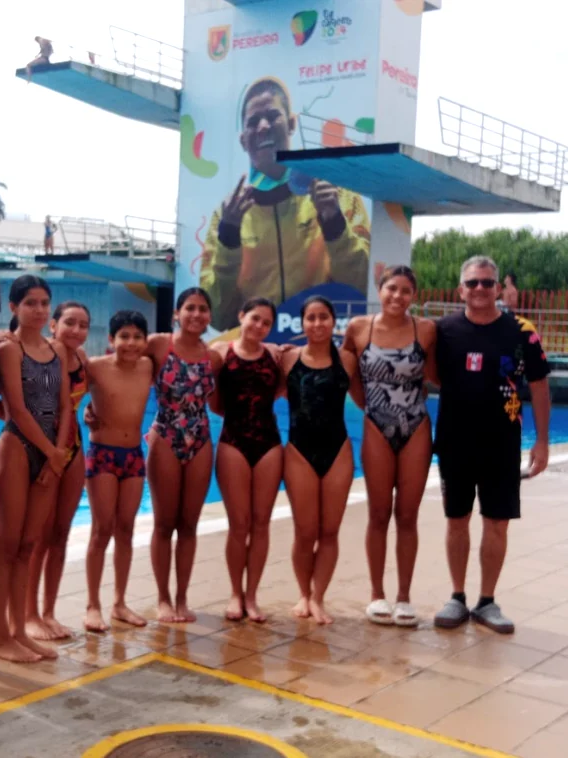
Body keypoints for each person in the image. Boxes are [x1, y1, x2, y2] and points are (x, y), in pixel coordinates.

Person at [433, 255, 551, 635]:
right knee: (457, 520)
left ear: (498, 288)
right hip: (455, 442)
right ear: (460, 290)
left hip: (502, 443)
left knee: (497, 523)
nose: (480, 289)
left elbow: (540, 386)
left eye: (487, 282)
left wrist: (542, 441)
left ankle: (487, 601)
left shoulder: (521, 331)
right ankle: (457, 596)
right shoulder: (444, 330)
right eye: (473, 283)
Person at [200, 76, 371, 331]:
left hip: (322, 345)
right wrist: (229, 238)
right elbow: (217, 316)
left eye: (272, 116)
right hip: (258, 351)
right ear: (243, 140)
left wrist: (334, 225)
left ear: (292, 124)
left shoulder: (337, 195)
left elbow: (363, 290)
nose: (263, 127)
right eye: (253, 122)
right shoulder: (227, 216)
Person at [342, 265, 437, 628]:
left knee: (408, 516)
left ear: (414, 296)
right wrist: (369, 406)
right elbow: (348, 373)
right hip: (376, 427)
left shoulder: (425, 330)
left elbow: (437, 375)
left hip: (416, 426)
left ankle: (404, 597)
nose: (398, 296)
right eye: (391, 288)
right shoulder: (359, 328)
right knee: (379, 513)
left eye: (405, 291)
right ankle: (377, 594)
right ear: (380, 290)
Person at [0, 275, 73, 662]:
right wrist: (51, 453)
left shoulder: (57, 349)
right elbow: (16, 409)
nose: (38, 310)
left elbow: (66, 406)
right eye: (30, 303)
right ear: (14, 308)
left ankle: (19, 631)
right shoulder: (10, 347)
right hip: (18, 447)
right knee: (4, 545)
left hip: (52, 451)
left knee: (27, 545)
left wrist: (59, 454)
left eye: (43, 303)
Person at [146, 287, 222, 622]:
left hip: (200, 438)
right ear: (177, 313)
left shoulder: (213, 357)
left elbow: (219, 402)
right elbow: (121, 365)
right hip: (165, 434)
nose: (196, 314)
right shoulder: (158, 345)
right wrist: (96, 410)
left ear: (209, 316)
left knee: (189, 524)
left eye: (203, 309)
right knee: (164, 523)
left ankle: (182, 598)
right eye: (190, 308)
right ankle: (163, 598)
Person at [281, 296, 358, 625]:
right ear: (302, 323)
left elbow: (365, 399)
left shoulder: (348, 361)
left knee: (329, 531)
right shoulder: (287, 359)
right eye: (310, 318)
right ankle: (303, 593)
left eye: (323, 317)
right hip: (299, 452)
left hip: (338, 450)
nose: (317, 323)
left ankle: (318, 597)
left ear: (333, 321)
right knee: (304, 531)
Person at [210, 298, 283, 623]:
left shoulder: (275, 356)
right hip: (233, 442)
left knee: (261, 523)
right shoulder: (220, 353)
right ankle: (234, 593)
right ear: (241, 316)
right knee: (239, 524)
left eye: (266, 323)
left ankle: (252, 595)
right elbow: (214, 402)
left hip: (269, 443)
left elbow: (279, 391)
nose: (259, 326)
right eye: (255, 318)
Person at [81, 311, 154, 632]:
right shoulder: (96, 367)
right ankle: (92, 605)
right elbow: (69, 391)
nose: (131, 343)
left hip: (134, 456)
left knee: (126, 529)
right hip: (103, 455)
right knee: (102, 530)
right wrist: (88, 410)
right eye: (124, 336)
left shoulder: (148, 366)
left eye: (138, 337)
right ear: (111, 339)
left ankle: (119, 603)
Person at [27, 301, 91, 642]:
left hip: (73, 446)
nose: (76, 331)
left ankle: (49, 611)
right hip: (43, 449)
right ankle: (29, 614)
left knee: (61, 534)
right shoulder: (40, 354)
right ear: (53, 325)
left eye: (83, 325)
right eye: (69, 323)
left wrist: (95, 415)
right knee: (39, 536)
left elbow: (88, 399)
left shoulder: (82, 358)